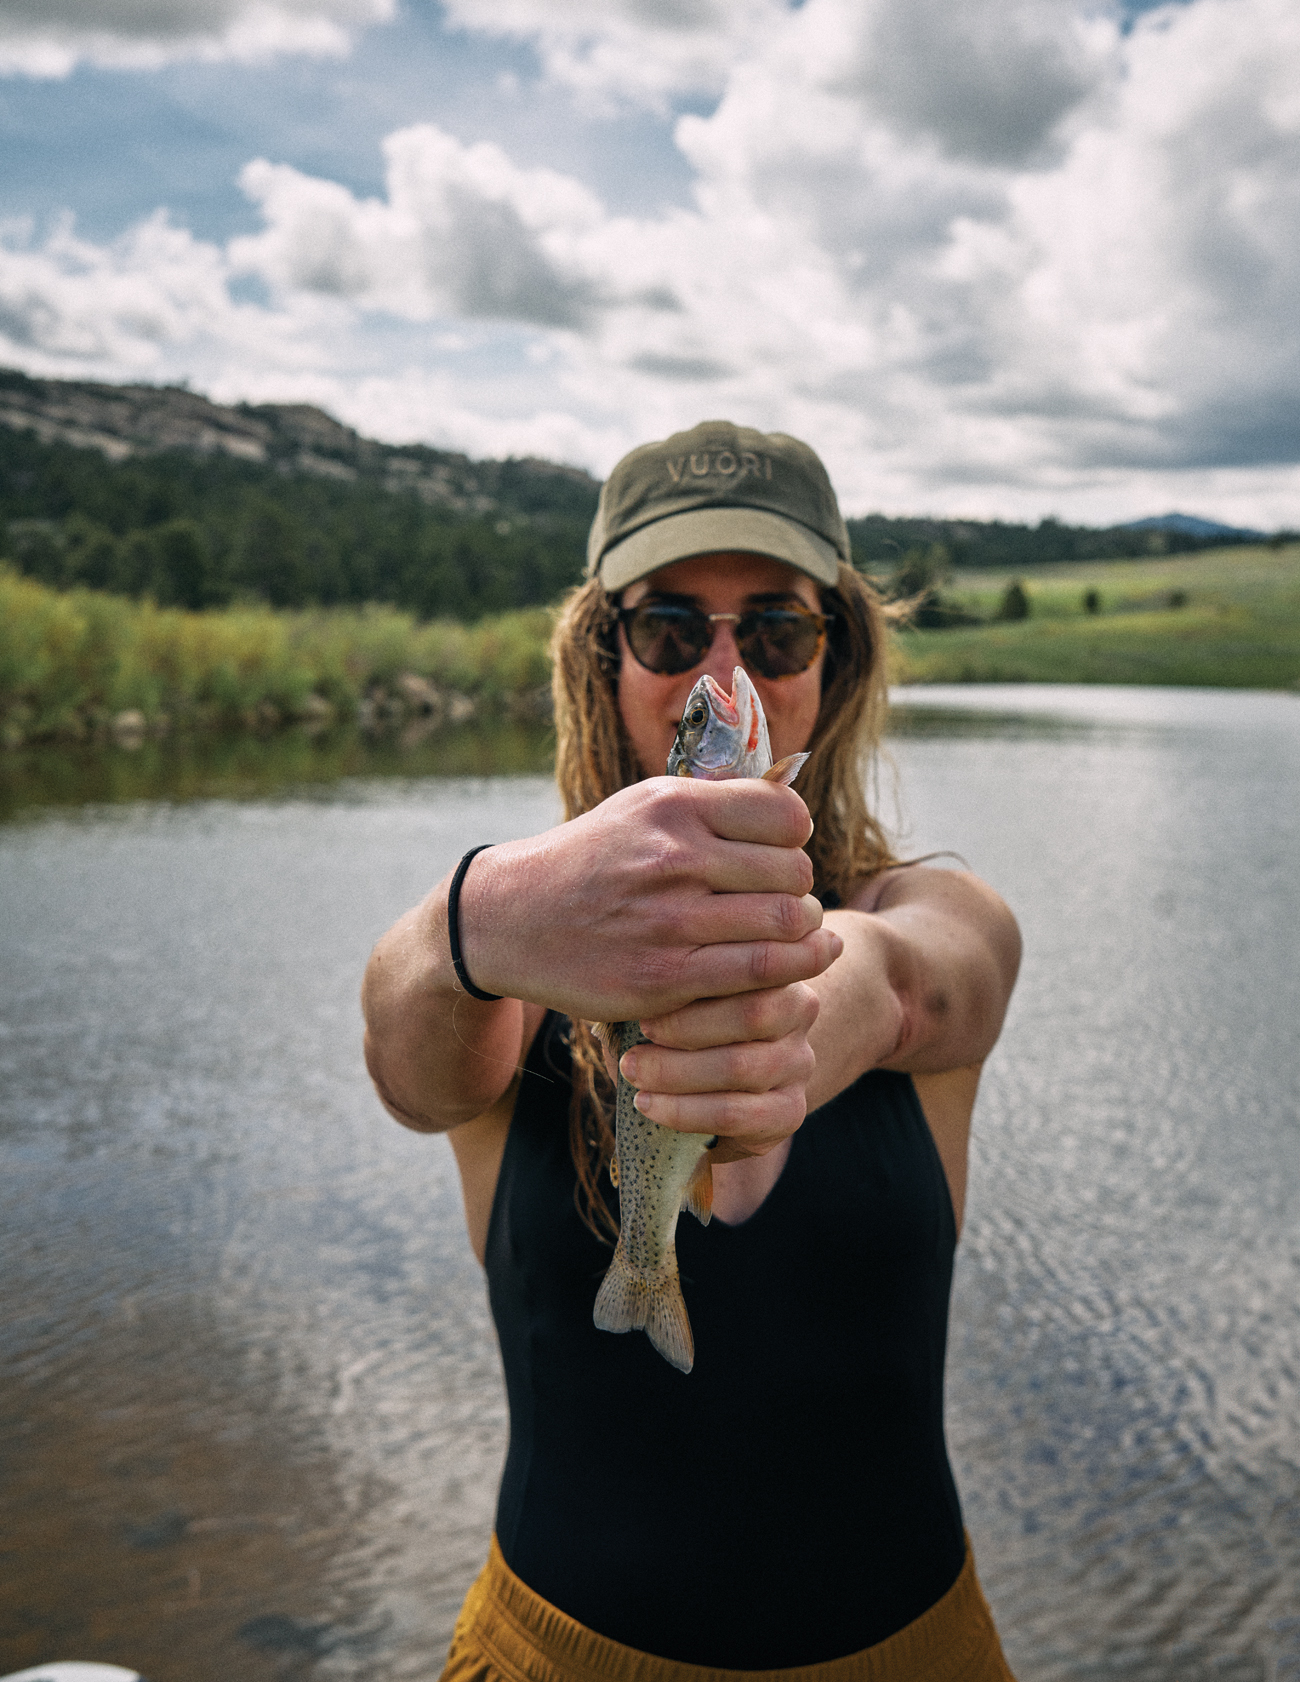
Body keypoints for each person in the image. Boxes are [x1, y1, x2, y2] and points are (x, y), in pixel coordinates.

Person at [362, 421, 1022, 1681]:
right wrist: (476, 921)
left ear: (837, 659)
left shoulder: (923, 913)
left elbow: (939, 982)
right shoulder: (516, 954)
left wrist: (823, 1004)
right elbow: (410, 1059)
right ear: (601, 658)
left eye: (775, 628)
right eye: (671, 627)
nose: (728, 666)